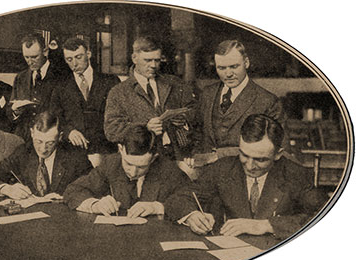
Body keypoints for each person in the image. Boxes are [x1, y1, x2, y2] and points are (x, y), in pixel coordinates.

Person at [186, 114, 327, 240]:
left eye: (260, 159)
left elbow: (324, 214)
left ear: (278, 154)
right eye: (244, 155)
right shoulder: (223, 168)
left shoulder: (295, 174)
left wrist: (267, 225)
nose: (249, 166)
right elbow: (181, 196)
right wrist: (192, 215)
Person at [64, 125, 198, 220]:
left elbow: (193, 198)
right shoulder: (111, 164)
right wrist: (95, 205)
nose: (133, 172)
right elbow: (73, 190)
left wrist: (157, 207)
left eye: (141, 167)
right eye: (128, 164)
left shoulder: (168, 170)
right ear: (121, 150)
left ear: (154, 158)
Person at [104, 36, 200, 162]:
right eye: (147, 60)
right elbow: (111, 130)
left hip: (178, 156)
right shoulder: (119, 92)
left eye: (157, 60)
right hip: (143, 159)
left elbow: (195, 112)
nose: (153, 65)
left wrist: (185, 119)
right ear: (134, 58)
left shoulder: (175, 84)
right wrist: (145, 127)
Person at [0, 111, 93, 199]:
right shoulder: (23, 153)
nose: (43, 149)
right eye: (39, 141)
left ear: (60, 137)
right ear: (32, 133)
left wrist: (66, 197)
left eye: (50, 143)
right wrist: (6, 189)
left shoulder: (76, 157)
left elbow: (95, 188)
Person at [199, 40, 282, 154]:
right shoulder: (207, 94)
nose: (228, 74)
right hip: (208, 170)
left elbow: (276, 151)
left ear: (246, 63)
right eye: (221, 68)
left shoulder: (268, 102)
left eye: (234, 66)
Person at [50, 37, 121, 167]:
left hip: (106, 151)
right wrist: (68, 132)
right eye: (69, 59)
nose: (74, 64)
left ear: (88, 54)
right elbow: (54, 117)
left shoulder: (111, 81)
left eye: (78, 57)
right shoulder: (60, 87)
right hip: (74, 154)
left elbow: (120, 116)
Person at [8, 32, 68, 141]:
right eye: (26, 57)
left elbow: (67, 112)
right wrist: (15, 111)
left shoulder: (61, 76)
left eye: (34, 57)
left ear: (45, 52)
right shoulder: (20, 78)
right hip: (25, 138)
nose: (30, 62)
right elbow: (10, 109)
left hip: (50, 137)